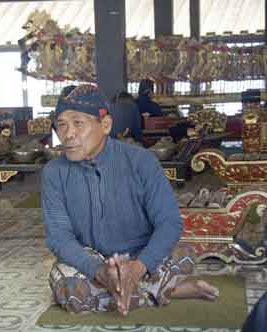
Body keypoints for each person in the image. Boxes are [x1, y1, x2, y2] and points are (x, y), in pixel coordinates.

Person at [42, 84, 219, 316]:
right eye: (61, 125)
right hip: (91, 261)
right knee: (67, 284)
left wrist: (138, 267)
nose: (68, 134)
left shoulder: (141, 161)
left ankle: (131, 288)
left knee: (183, 252)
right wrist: (99, 270)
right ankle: (170, 290)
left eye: (78, 123)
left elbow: (169, 222)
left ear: (105, 125)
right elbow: (59, 236)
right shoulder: (54, 172)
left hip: (141, 255)